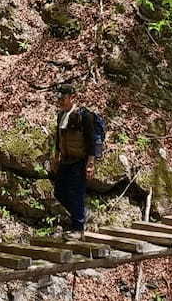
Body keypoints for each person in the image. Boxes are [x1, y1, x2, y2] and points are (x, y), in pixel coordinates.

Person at [51, 84, 104, 240]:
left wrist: (90, 164)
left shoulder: (84, 116)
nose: (60, 101)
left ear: (72, 97)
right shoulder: (61, 115)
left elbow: (92, 142)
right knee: (59, 191)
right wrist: (55, 157)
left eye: (63, 98)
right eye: (58, 98)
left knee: (76, 194)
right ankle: (82, 214)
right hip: (66, 160)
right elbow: (58, 138)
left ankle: (78, 229)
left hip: (80, 161)